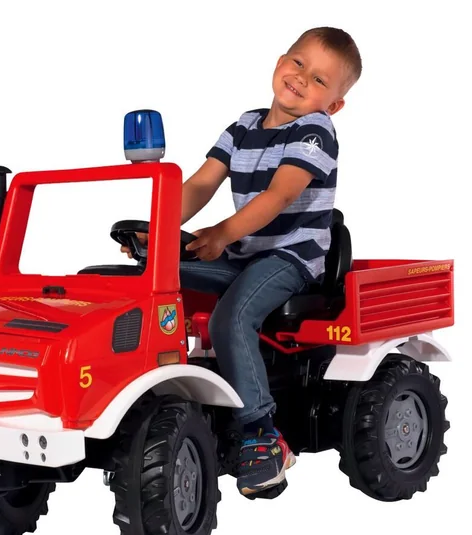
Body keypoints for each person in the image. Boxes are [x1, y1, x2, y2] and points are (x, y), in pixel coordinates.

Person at [122, 27, 362, 496]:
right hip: (244, 255)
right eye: (298, 63)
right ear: (280, 61)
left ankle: (262, 434)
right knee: (150, 275)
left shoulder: (315, 132)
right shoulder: (243, 127)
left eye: (318, 79)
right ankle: (147, 389)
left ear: (333, 105)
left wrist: (222, 233)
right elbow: (200, 185)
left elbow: (279, 195)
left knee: (232, 316)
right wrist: (157, 230)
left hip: (291, 258)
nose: (301, 78)